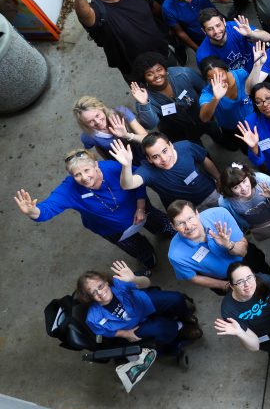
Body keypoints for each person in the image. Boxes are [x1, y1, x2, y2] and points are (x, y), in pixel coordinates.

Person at [14, 150, 173, 272]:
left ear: (96, 165)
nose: (84, 178)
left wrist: (140, 207)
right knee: (136, 247)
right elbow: (46, 210)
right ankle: (146, 254)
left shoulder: (112, 168)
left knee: (160, 223)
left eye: (87, 170)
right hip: (112, 229)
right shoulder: (69, 189)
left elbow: (138, 179)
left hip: (142, 210)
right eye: (77, 174)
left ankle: (166, 229)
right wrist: (32, 211)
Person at [77, 261, 200, 361]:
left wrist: (134, 279)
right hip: (133, 326)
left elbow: (146, 283)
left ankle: (184, 315)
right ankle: (181, 328)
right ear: (89, 297)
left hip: (143, 304)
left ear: (106, 282)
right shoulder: (93, 318)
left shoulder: (119, 283)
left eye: (100, 286)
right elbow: (103, 331)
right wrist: (125, 334)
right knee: (159, 327)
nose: (100, 293)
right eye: (93, 292)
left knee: (176, 298)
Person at [72, 0, 170, 81]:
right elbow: (85, 16)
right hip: (137, 70)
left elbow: (154, 7)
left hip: (162, 52)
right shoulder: (99, 11)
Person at [166, 200, 270, 292]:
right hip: (225, 279)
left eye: (190, 218)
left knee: (263, 269)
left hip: (245, 259)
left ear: (197, 214)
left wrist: (229, 245)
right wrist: (226, 286)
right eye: (180, 223)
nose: (188, 226)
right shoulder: (175, 255)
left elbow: (243, 251)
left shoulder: (219, 215)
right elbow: (193, 277)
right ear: (173, 226)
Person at [111, 133, 219, 211]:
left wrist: (219, 178)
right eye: (155, 156)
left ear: (171, 145)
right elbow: (127, 185)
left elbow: (204, 160)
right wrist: (126, 166)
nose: (164, 159)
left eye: (165, 151)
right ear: (149, 159)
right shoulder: (147, 170)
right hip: (186, 210)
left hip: (211, 192)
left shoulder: (186, 147)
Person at [129, 53, 213, 144]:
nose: (157, 75)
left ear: (165, 69)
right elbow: (151, 124)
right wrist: (144, 104)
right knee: (199, 152)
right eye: (150, 74)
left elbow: (204, 88)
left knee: (216, 133)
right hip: (179, 133)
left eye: (159, 70)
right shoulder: (143, 97)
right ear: (144, 78)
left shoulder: (183, 74)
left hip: (204, 115)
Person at [217, 160, 270, 255]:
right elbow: (237, 218)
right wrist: (249, 226)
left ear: (248, 176)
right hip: (260, 225)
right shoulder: (225, 202)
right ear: (229, 190)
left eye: (244, 181)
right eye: (236, 187)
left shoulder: (260, 179)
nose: (243, 188)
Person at [162, 0, 232, 50]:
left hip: (220, 27)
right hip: (200, 38)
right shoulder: (167, 8)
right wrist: (197, 49)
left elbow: (226, 0)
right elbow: (180, 32)